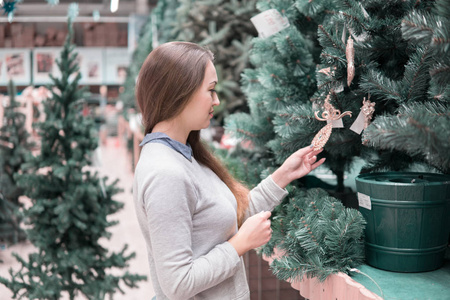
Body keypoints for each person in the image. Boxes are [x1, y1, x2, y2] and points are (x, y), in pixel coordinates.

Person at [133, 41, 325, 300]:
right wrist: (239, 245)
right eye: (210, 90)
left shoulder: (184, 154)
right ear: (179, 92)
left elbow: (227, 219)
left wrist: (283, 175)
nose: (217, 100)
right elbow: (177, 284)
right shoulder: (166, 174)